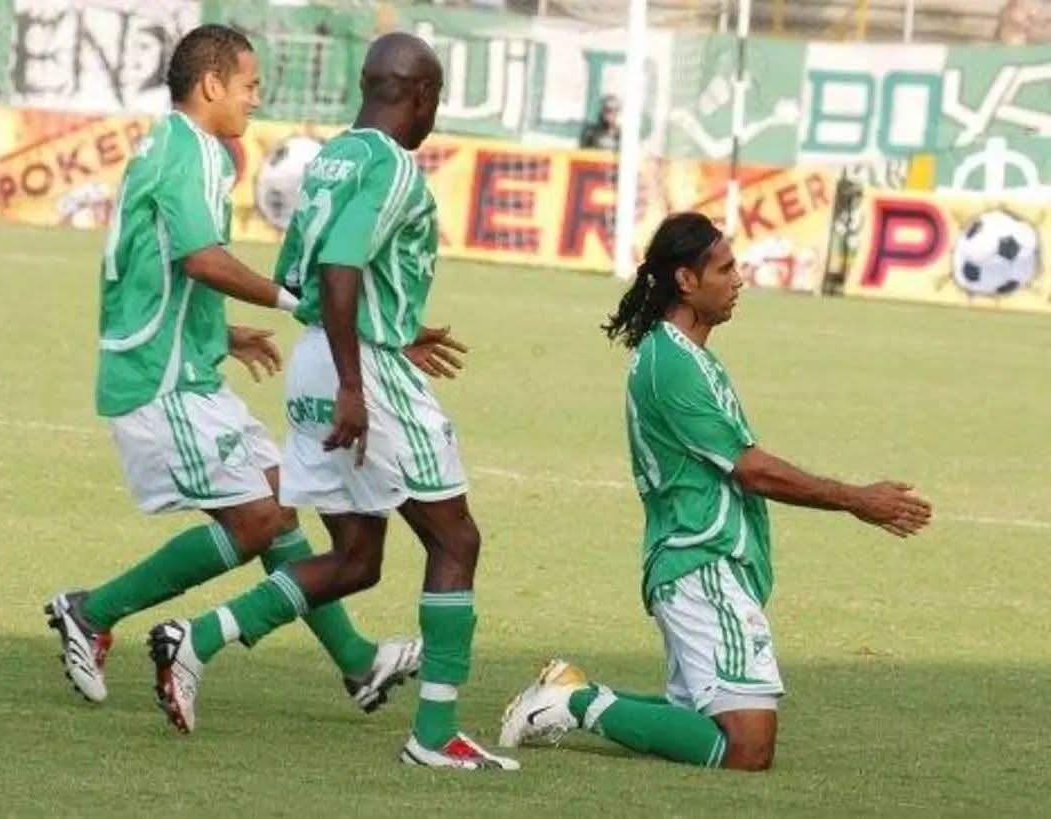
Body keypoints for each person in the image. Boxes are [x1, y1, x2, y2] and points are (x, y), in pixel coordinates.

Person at [148, 32, 519, 772]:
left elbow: (312, 273)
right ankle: (435, 732)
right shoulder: (391, 167)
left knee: (356, 558)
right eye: (435, 97)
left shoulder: (331, 158)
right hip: (358, 372)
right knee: (455, 541)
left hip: (322, 355)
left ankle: (200, 638)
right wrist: (361, 378)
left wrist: (387, 334)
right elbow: (343, 267)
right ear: (420, 96)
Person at [46, 24, 424, 716]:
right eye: (249, 85)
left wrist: (219, 332)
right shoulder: (195, 152)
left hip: (180, 364)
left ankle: (358, 661)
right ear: (212, 84)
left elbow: (148, 267)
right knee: (260, 516)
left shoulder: (173, 146)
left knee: (276, 508)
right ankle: (93, 612)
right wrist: (292, 300)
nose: (256, 98)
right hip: (161, 381)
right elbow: (200, 257)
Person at [498, 212, 932, 770]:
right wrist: (857, 500)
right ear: (686, 280)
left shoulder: (690, 358)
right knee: (748, 747)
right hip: (699, 560)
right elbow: (753, 470)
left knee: (708, 723)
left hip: (706, 561)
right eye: (725, 268)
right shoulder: (671, 365)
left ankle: (570, 692)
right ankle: (575, 703)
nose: (738, 279)